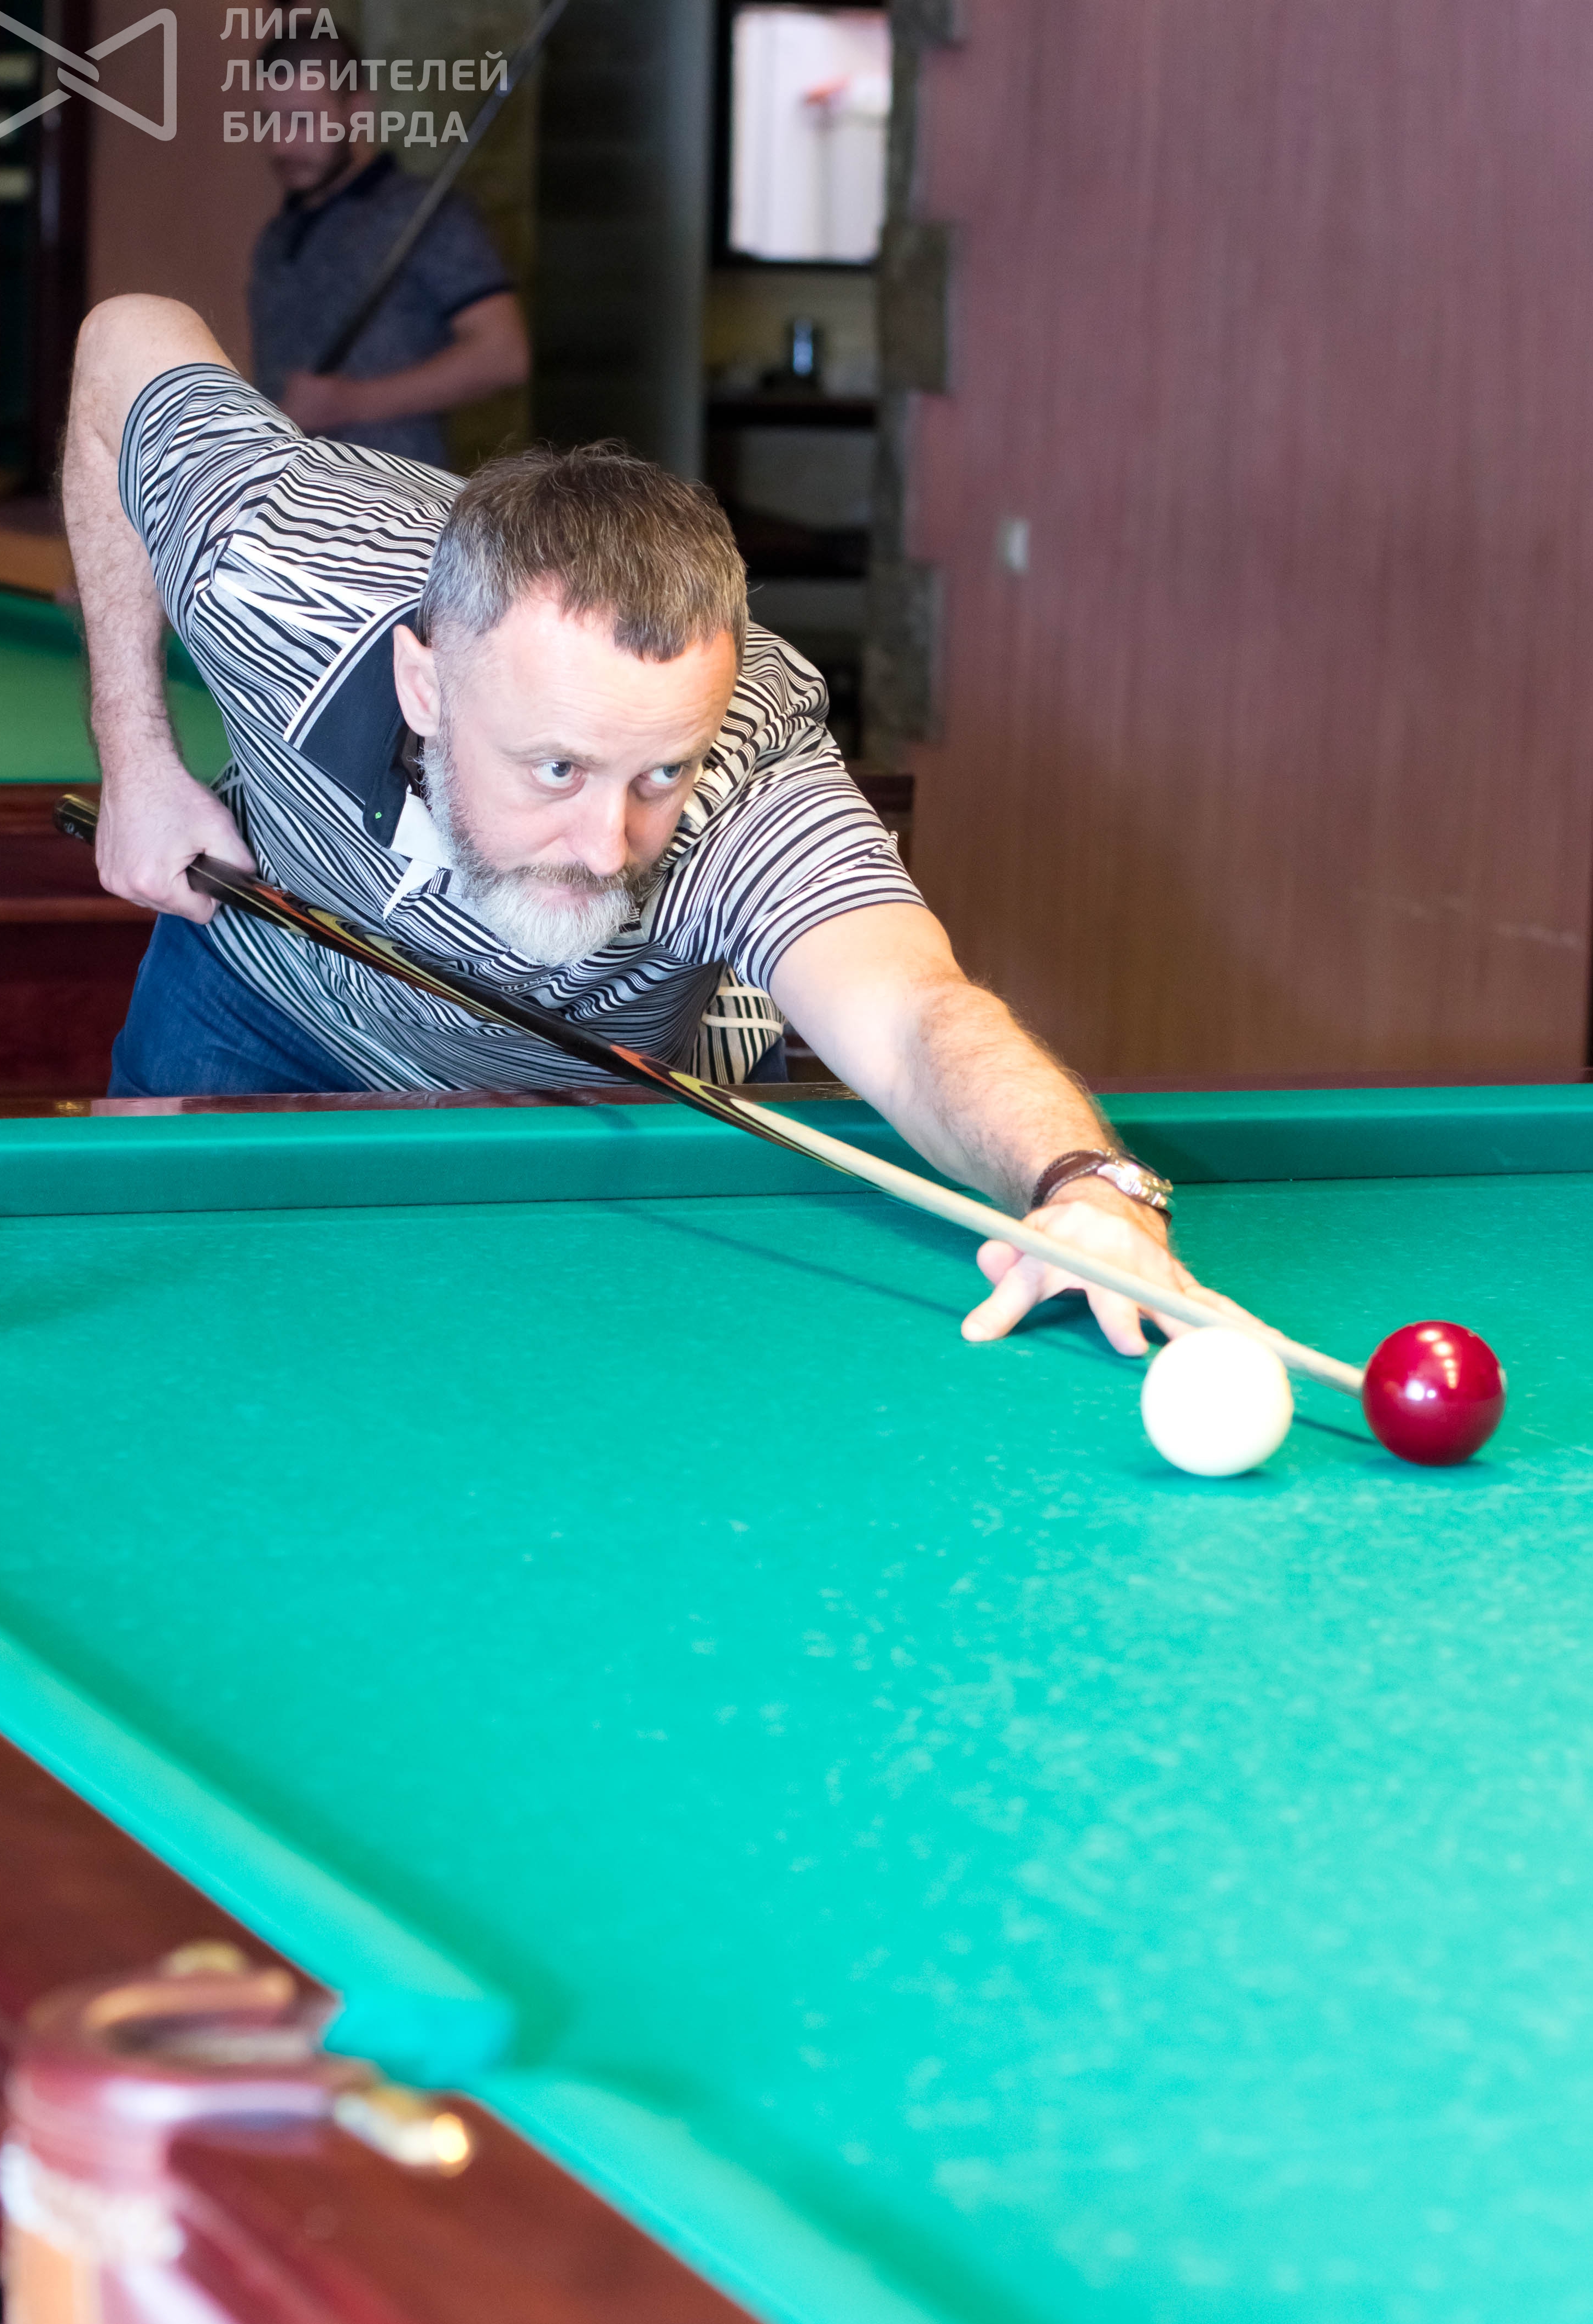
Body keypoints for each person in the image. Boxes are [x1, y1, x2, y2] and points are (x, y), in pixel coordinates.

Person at [62, 293, 1239, 1354]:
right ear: (425, 686)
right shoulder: (279, 568)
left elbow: (910, 1014)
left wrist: (1083, 1182)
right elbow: (124, 339)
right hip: (261, 1003)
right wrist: (136, 751)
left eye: (659, 773)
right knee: (146, 1361)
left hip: (592, 1102)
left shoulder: (748, 771)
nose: (607, 846)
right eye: (556, 767)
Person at [248, 27, 529, 468]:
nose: (280, 143)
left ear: (357, 110)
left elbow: (503, 354)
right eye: (269, 121)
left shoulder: (428, 215)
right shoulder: (276, 236)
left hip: (396, 495)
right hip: (291, 494)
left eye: (301, 120)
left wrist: (353, 401)